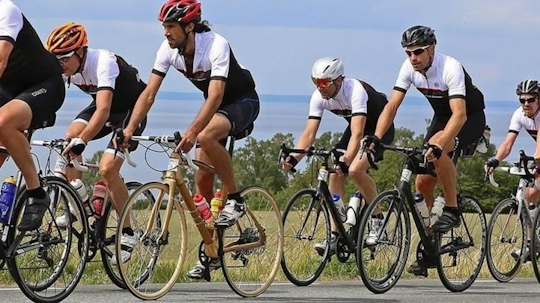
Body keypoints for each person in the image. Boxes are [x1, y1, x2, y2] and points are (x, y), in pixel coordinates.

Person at [119, 0, 260, 279]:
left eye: (171, 27)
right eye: (164, 27)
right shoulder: (169, 50)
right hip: (216, 107)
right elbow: (148, 95)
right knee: (201, 186)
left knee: (206, 137)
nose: (166, 33)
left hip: (242, 102)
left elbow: (217, 95)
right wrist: (128, 128)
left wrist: (193, 131)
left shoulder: (215, 45)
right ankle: (211, 251)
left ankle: (235, 198)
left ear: (189, 26)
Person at [363, 25, 486, 276]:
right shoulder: (409, 68)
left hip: (469, 118)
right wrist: (376, 136)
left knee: (439, 147)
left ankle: (452, 208)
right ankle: (430, 245)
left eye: (418, 51)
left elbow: (460, 114)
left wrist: (440, 143)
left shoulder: (450, 67)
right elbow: (392, 106)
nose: (413, 58)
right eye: (408, 52)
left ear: (432, 49)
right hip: (442, 117)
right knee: (421, 183)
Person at [45, 22, 148, 263]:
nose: (60, 64)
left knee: (108, 168)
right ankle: (76, 202)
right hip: (106, 106)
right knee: (68, 138)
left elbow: (103, 110)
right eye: (55, 59)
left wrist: (84, 140)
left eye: (65, 58)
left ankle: (128, 232)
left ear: (81, 51)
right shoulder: (66, 67)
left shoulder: (104, 62)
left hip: (130, 110)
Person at [281, 57, 394, 254]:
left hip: (378, 129)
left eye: (324, 82)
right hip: (356, 128)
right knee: (334, 171)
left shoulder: (355, 91)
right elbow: (309, 134)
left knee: (355, 170)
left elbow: (358, 134)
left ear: (338, 80)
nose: (320, 87)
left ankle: (378, 222)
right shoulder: (319, 97)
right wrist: (294, 158)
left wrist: (346, 161)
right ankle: (335, 235)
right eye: (315, 81)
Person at [0, 0, 65, 231]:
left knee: (4, 122)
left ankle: (36, 192)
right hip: (8, 91)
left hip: (44, 85)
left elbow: (0, 61)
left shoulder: (5, 10)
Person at [485, 79, 540, 262]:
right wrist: (495, 159)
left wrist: (537, 163)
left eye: (530, 99)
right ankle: (531, 245)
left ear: (538, 99)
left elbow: (539, 151)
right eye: (522, 100)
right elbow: (508, 144)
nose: (526, 104)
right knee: (529, 195)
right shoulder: (519, 115)